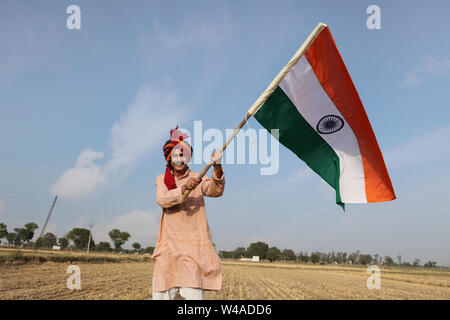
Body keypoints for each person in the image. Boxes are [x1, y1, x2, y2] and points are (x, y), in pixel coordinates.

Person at [152, 126, 225, 300]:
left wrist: (217, 167)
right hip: (168, 250)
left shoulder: (198, 177)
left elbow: (215, 191)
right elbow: (162, 199)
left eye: (183, 155)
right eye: (176, 155)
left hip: (192, 250)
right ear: (169, 158)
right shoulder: (161, 179)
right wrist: (183, 188)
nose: (180, 159)